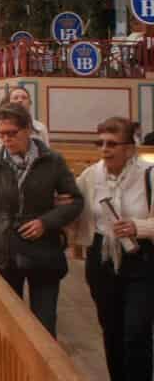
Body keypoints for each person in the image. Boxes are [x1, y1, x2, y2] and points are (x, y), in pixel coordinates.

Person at [0, 103, 82, 336]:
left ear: (28, 129)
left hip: (43, 249)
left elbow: (74, 201)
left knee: (44, 323)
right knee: (8, 323)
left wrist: (46, 222)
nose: (7, 140)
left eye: (12, 133)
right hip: (5, 249)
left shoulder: (52, 161)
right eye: (1, 134)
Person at [72, 117, 154, 381]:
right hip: (102, 258)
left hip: (142, 259)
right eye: (100, 143)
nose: (104, 149)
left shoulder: (149, 175)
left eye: (111, 144)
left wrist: (138, 226)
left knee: (137, 331)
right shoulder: (91, 175)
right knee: (112, 330)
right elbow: (75, 208)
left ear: (130, 148)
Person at [0, 87, 49, 154]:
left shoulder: (40, 127)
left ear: (30, 103)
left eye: (24, 98)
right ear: (8, 102)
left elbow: (46, 152)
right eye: (15, 98)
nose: (20, 100)